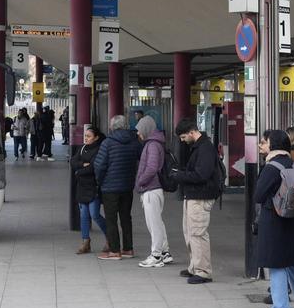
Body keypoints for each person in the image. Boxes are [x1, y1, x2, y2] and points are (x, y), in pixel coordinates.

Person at [252, 130, 294, 308]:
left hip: (274, 219)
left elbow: (259, 195)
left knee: (277, 262)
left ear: (273, 145)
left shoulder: (272, 167)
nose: (260, 146)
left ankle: (280, 307)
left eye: (264, 142)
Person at [171, 118, 222, 284]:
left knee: (198, 233)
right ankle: (195, 266)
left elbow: (202, 174)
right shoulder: (199, 147)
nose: (182, 141)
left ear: (192, 132)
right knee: (190, 232)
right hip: (194, 195)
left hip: (201, 196)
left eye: (184, 137)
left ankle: (203, 271)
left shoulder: (205, 148)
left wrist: (180, 175)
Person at [94, 114, 141, 260]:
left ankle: (114, 251)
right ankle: (128, 249)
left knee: (111, 219)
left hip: (110, 187)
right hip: (127, 185)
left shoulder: (108, 143)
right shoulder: (135, 141)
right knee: (126, 217)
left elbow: (100, 165)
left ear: (112, 127)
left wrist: (99, 181)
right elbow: (141, 160)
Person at [134, 115, 173, 268]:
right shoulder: (156, 144)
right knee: (158, 222)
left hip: (151, 189)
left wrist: (140, 182)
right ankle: (164, 252)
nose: (138, 133)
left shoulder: (152, 145)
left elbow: (151, 168)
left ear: (146, 129)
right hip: (154, 189)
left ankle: (156, 254)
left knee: (153, 224)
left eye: (139, 130)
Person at [73, 125, 108, 254]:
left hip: (94, 186)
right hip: (82, 186)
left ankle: (110, 237)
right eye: (85, 136)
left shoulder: (99, 150)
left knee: (94, 214)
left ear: (96, 138)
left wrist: (79, 171)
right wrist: (82, 165)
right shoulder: (82, 148)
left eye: (89, 136)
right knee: (84, 215)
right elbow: (73, 162)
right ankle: (85, 241)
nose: (86, 138)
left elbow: (93, 168)